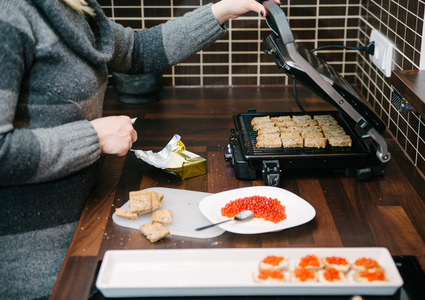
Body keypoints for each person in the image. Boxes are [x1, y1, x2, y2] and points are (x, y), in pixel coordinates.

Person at [0, 0, 280, 298]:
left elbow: (139, 50)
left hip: (87, 221)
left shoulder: (73, 7)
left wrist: (222, 9)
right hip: (37, 260)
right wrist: (92, 137)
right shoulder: (10, 14)